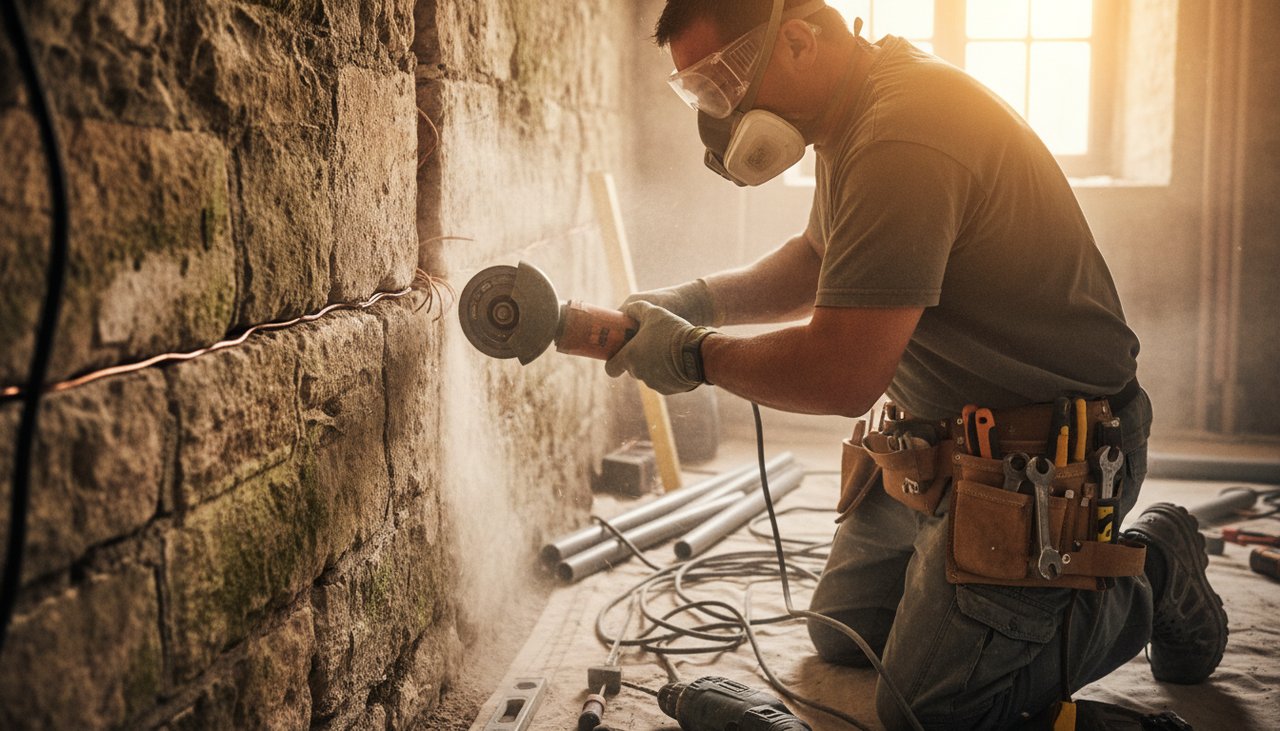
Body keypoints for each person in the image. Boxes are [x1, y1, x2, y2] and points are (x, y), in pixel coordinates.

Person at [603, 0, 1229, 728]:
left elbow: (843, 373)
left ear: (799, 42)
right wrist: (696, 301)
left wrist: (692, 353)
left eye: (722, 83)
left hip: (1048, 457)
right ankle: (963, 593)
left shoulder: (904, 132)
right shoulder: (852, 110)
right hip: (937, 444)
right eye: (702, 94)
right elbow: (817, 258)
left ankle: (1159, 564)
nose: (720, 116)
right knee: (843, 633)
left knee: (930, 712)